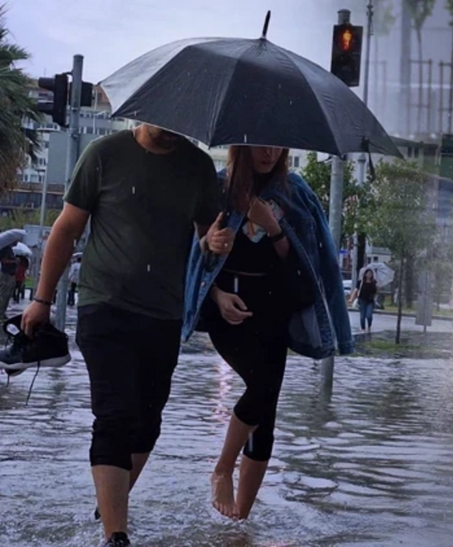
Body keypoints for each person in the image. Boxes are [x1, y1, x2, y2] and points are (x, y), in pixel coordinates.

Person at [21, 124, 234, 547]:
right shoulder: (103, 155)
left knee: (147, 424)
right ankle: (115, 535)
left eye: (180, 127)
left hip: (165, 313)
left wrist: (212, 243)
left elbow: (205, 240)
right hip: (105, 306)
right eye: (165, 124)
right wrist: (41, 300)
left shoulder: (197, 167)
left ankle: (108, 505)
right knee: (115, 415)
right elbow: (66, 229)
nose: (173, 132)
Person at [183, 145, 353, 520]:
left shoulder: (295, 192)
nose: (269, 153)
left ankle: (240, 521)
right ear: (241, 146)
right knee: (260, 388)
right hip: (227, 310)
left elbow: (304, 266)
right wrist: (215, 283)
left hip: (274, 312)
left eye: (277, 146)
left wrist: (273, 226)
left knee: (266, 412)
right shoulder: (218, 189)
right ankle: (222, 468)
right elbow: (193, 257)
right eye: (261, 145)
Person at [348, 268, 378, 333]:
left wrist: (377, 287)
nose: (369, 275)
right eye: (368, 273)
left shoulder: (374, 282)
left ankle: (369, 325)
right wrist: (351, 299)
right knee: (362, 316)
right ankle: (363, 328)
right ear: (365, 274)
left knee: (369, 315)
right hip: (362, 300)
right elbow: (356, 291)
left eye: (370, 273)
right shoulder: (361, 282)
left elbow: (376, 292)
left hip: (370, 301)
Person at [0, 244, 17, 320]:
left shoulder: (10, 249)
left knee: (8, 295)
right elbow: (4, 261)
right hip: (6, 274)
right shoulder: (5, 249)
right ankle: (0, 313)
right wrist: (14, 261)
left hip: (11, 274)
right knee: (4, 294)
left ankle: (3, 312)